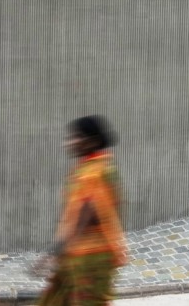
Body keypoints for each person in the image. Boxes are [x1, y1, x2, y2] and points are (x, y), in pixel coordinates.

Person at [33, 115, 128, 306]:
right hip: (78, 253)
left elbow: (87, 213)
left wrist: (55, 251)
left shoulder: (95, 171)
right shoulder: (90, 167)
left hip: (92, 256)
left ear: (92, 141)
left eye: (77, 137)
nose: (70, 142)